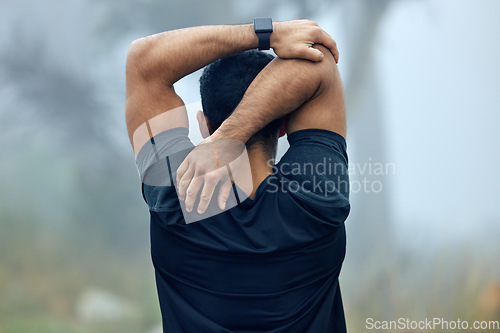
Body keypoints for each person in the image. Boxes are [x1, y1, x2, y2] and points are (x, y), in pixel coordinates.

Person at [125, 19, 350, 332]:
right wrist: (233, 134)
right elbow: (319, 65)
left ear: (204, 124)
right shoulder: (317, 201)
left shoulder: (174, 198)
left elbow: (144, 62)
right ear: (284, 123)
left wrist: (267, 33)